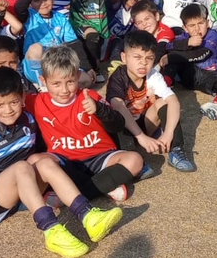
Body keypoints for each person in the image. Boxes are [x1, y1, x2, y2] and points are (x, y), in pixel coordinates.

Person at [0, 67, 122, 258]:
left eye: (14, 102)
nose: (8, 110)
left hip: (26, 187)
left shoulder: (29, 120)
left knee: (45, 162)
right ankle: (51, 231)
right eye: (0, 105)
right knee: (22, 167)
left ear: (23, 99)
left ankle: (89, 216)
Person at [24, 46, 145, 199]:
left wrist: (100, 109)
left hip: (101, 157)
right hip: (64, 161)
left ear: (78, 75)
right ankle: (105, 184)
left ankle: (75, 194)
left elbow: (118, 125)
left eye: (70, 82)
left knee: (134, 160)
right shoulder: (36, 101)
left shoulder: (90, 96)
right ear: (43, 80)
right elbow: (6, 100)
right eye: (56, 84)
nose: (64, 90)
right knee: (34, 161)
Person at [107, 30, 198, 174]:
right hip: (122, 129)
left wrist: (168, 133)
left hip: (143, 124)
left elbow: (173, 101)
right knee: (115, 118)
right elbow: (117, 105)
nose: (143, 63)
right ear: (124, 57)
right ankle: (132, 160)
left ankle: (176, 149)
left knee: (163, 102)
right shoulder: (118, 77)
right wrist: (141, 137)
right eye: (137, 57)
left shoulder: (153, 75)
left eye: (149, 58)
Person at [167, 3, 217, 122]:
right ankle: (165, 85)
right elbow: (168, 46)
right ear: (185, 28)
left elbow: (200, 55)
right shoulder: (183, 36)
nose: (197, 29)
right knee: (172, 56)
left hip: (210, 75)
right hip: (189, 76)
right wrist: (187, 43)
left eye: (201, 23)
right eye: (191, 25)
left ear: (208, 22)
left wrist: (171, 57)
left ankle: (216, 103)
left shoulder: (213, 35)